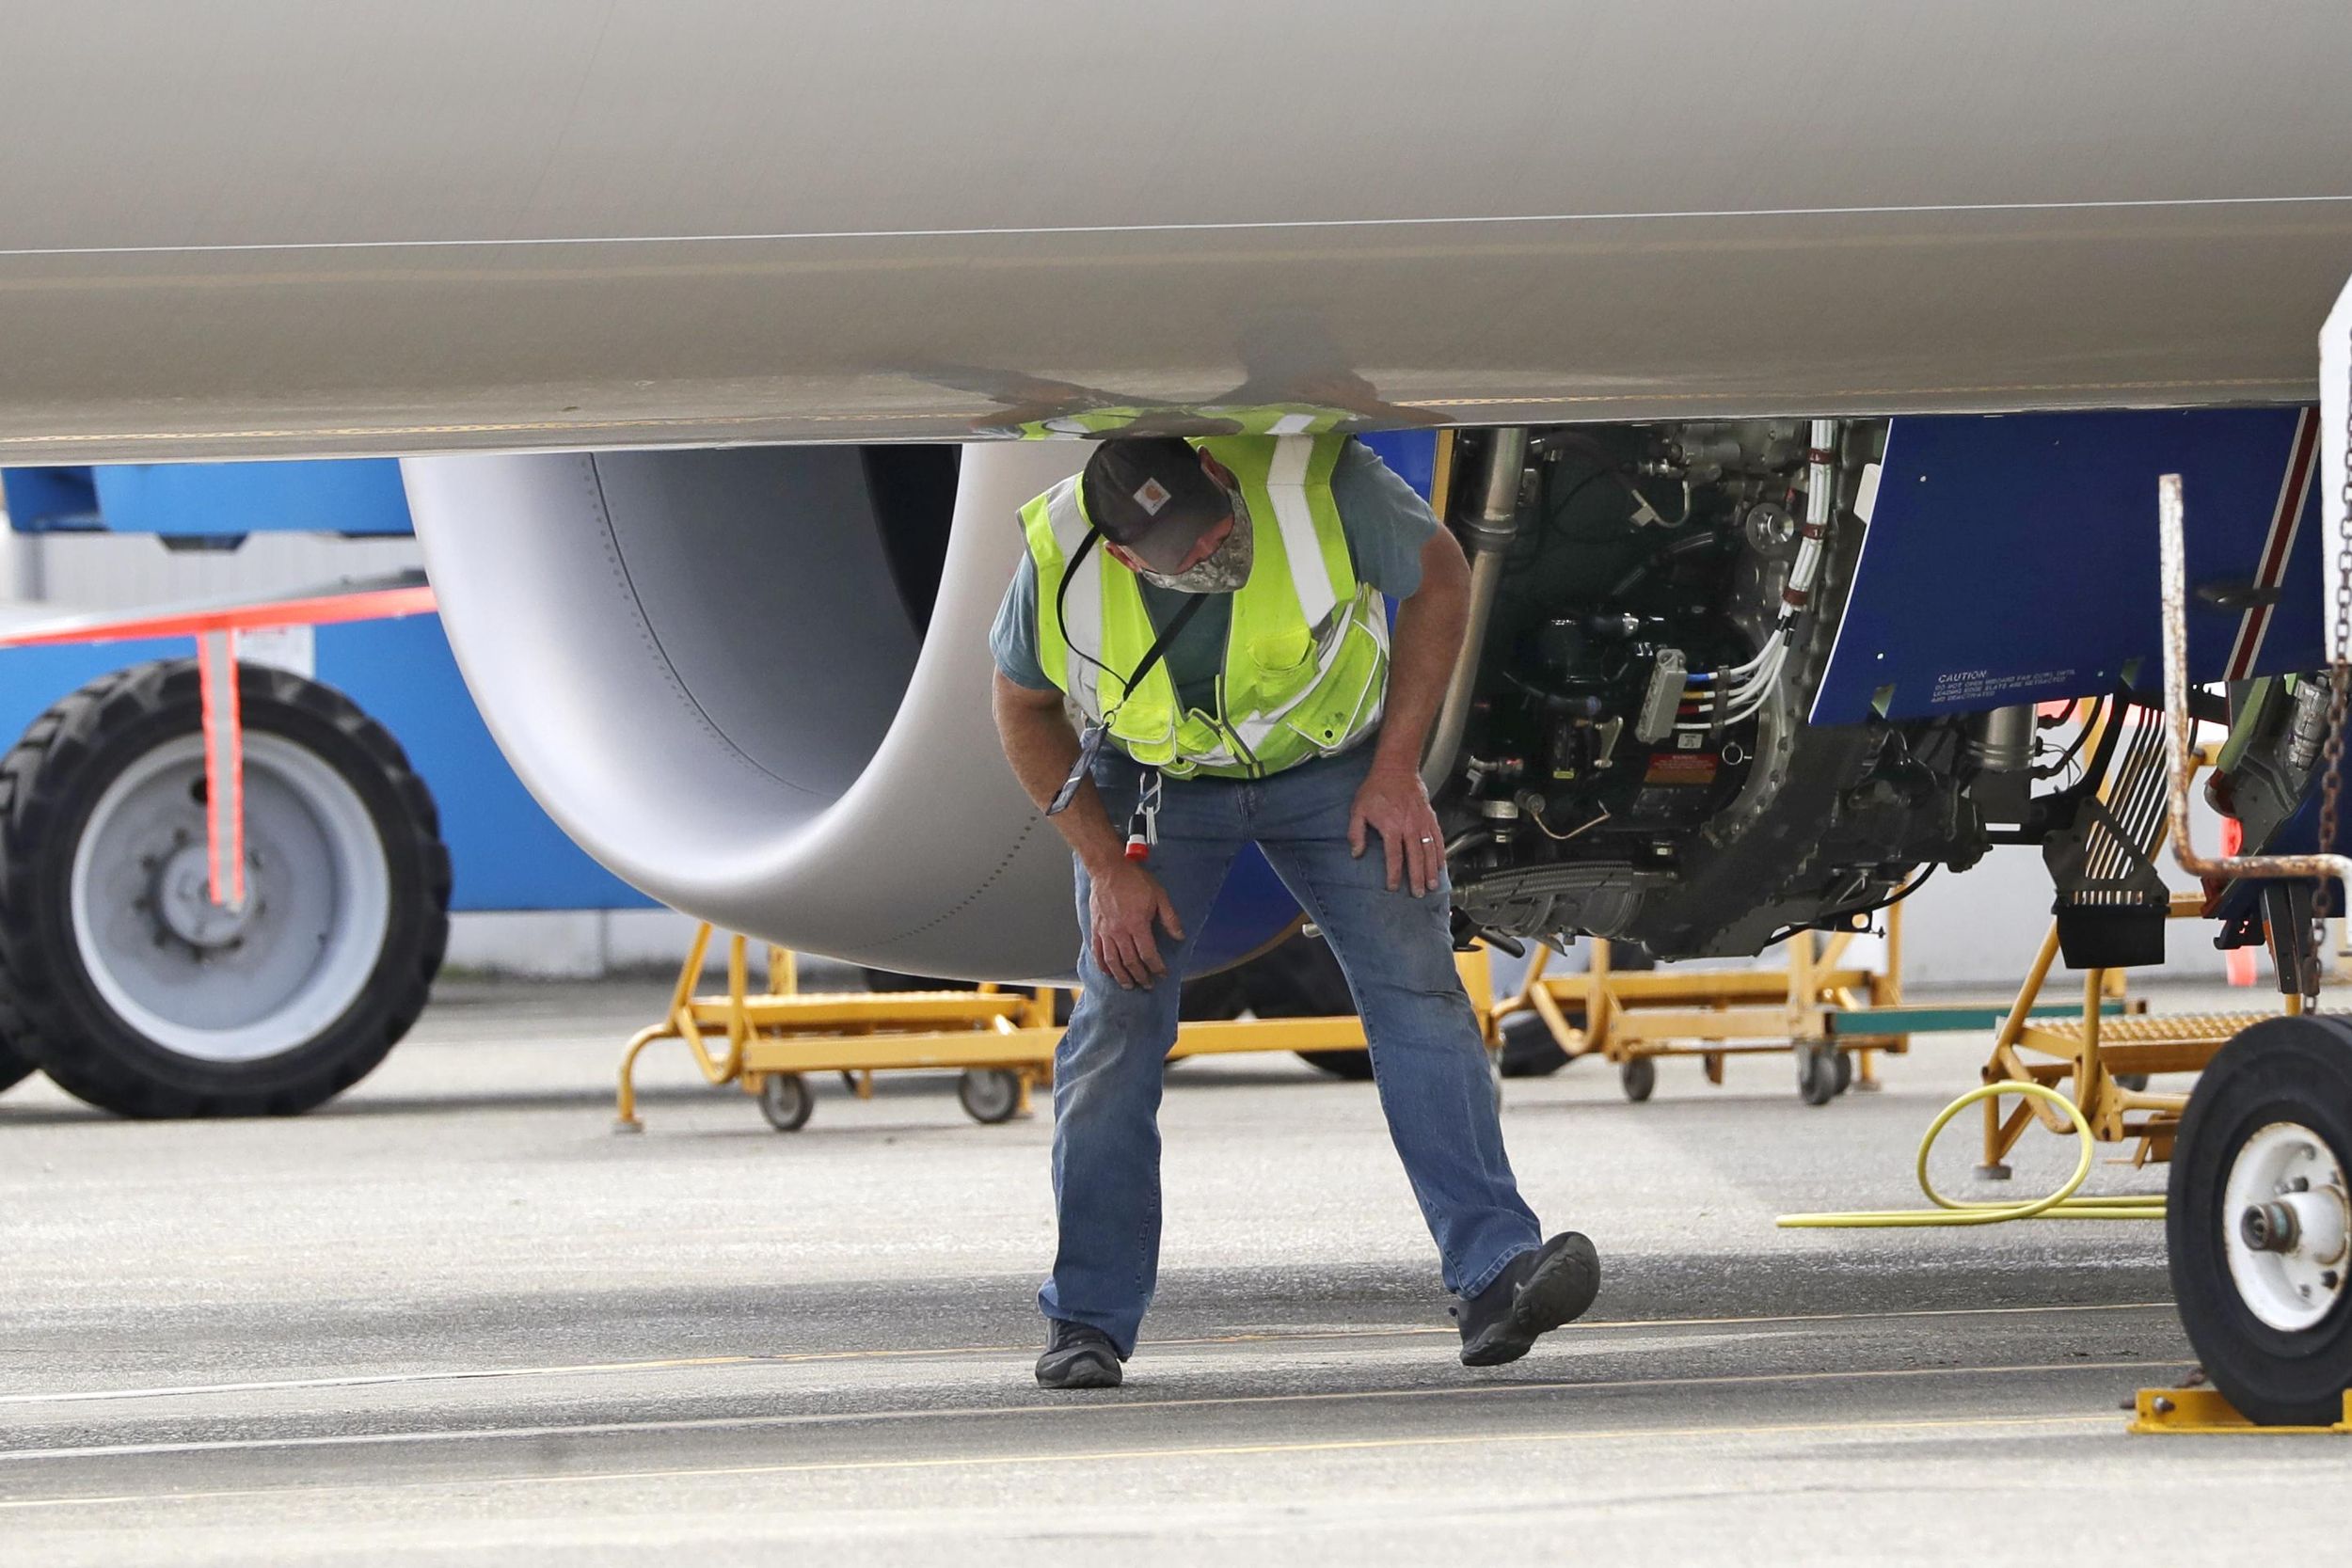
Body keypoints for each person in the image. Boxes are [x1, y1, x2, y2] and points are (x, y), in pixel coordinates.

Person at [990, 433, 1597, 1390]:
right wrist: (1108, 867)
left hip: (1333, 767)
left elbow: (1441, 580)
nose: (1212, 555)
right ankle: (1086, 1321)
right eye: (1181, 555)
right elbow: (1022, 709)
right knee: (1116, 1023)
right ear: (1119, 554)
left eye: (1215, 528)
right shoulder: (1059, 556)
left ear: (1218, 474)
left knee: (1417, 995)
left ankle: (1494, 1275)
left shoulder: (1316, 482)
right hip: (1162, 784)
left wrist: (1397, 771)